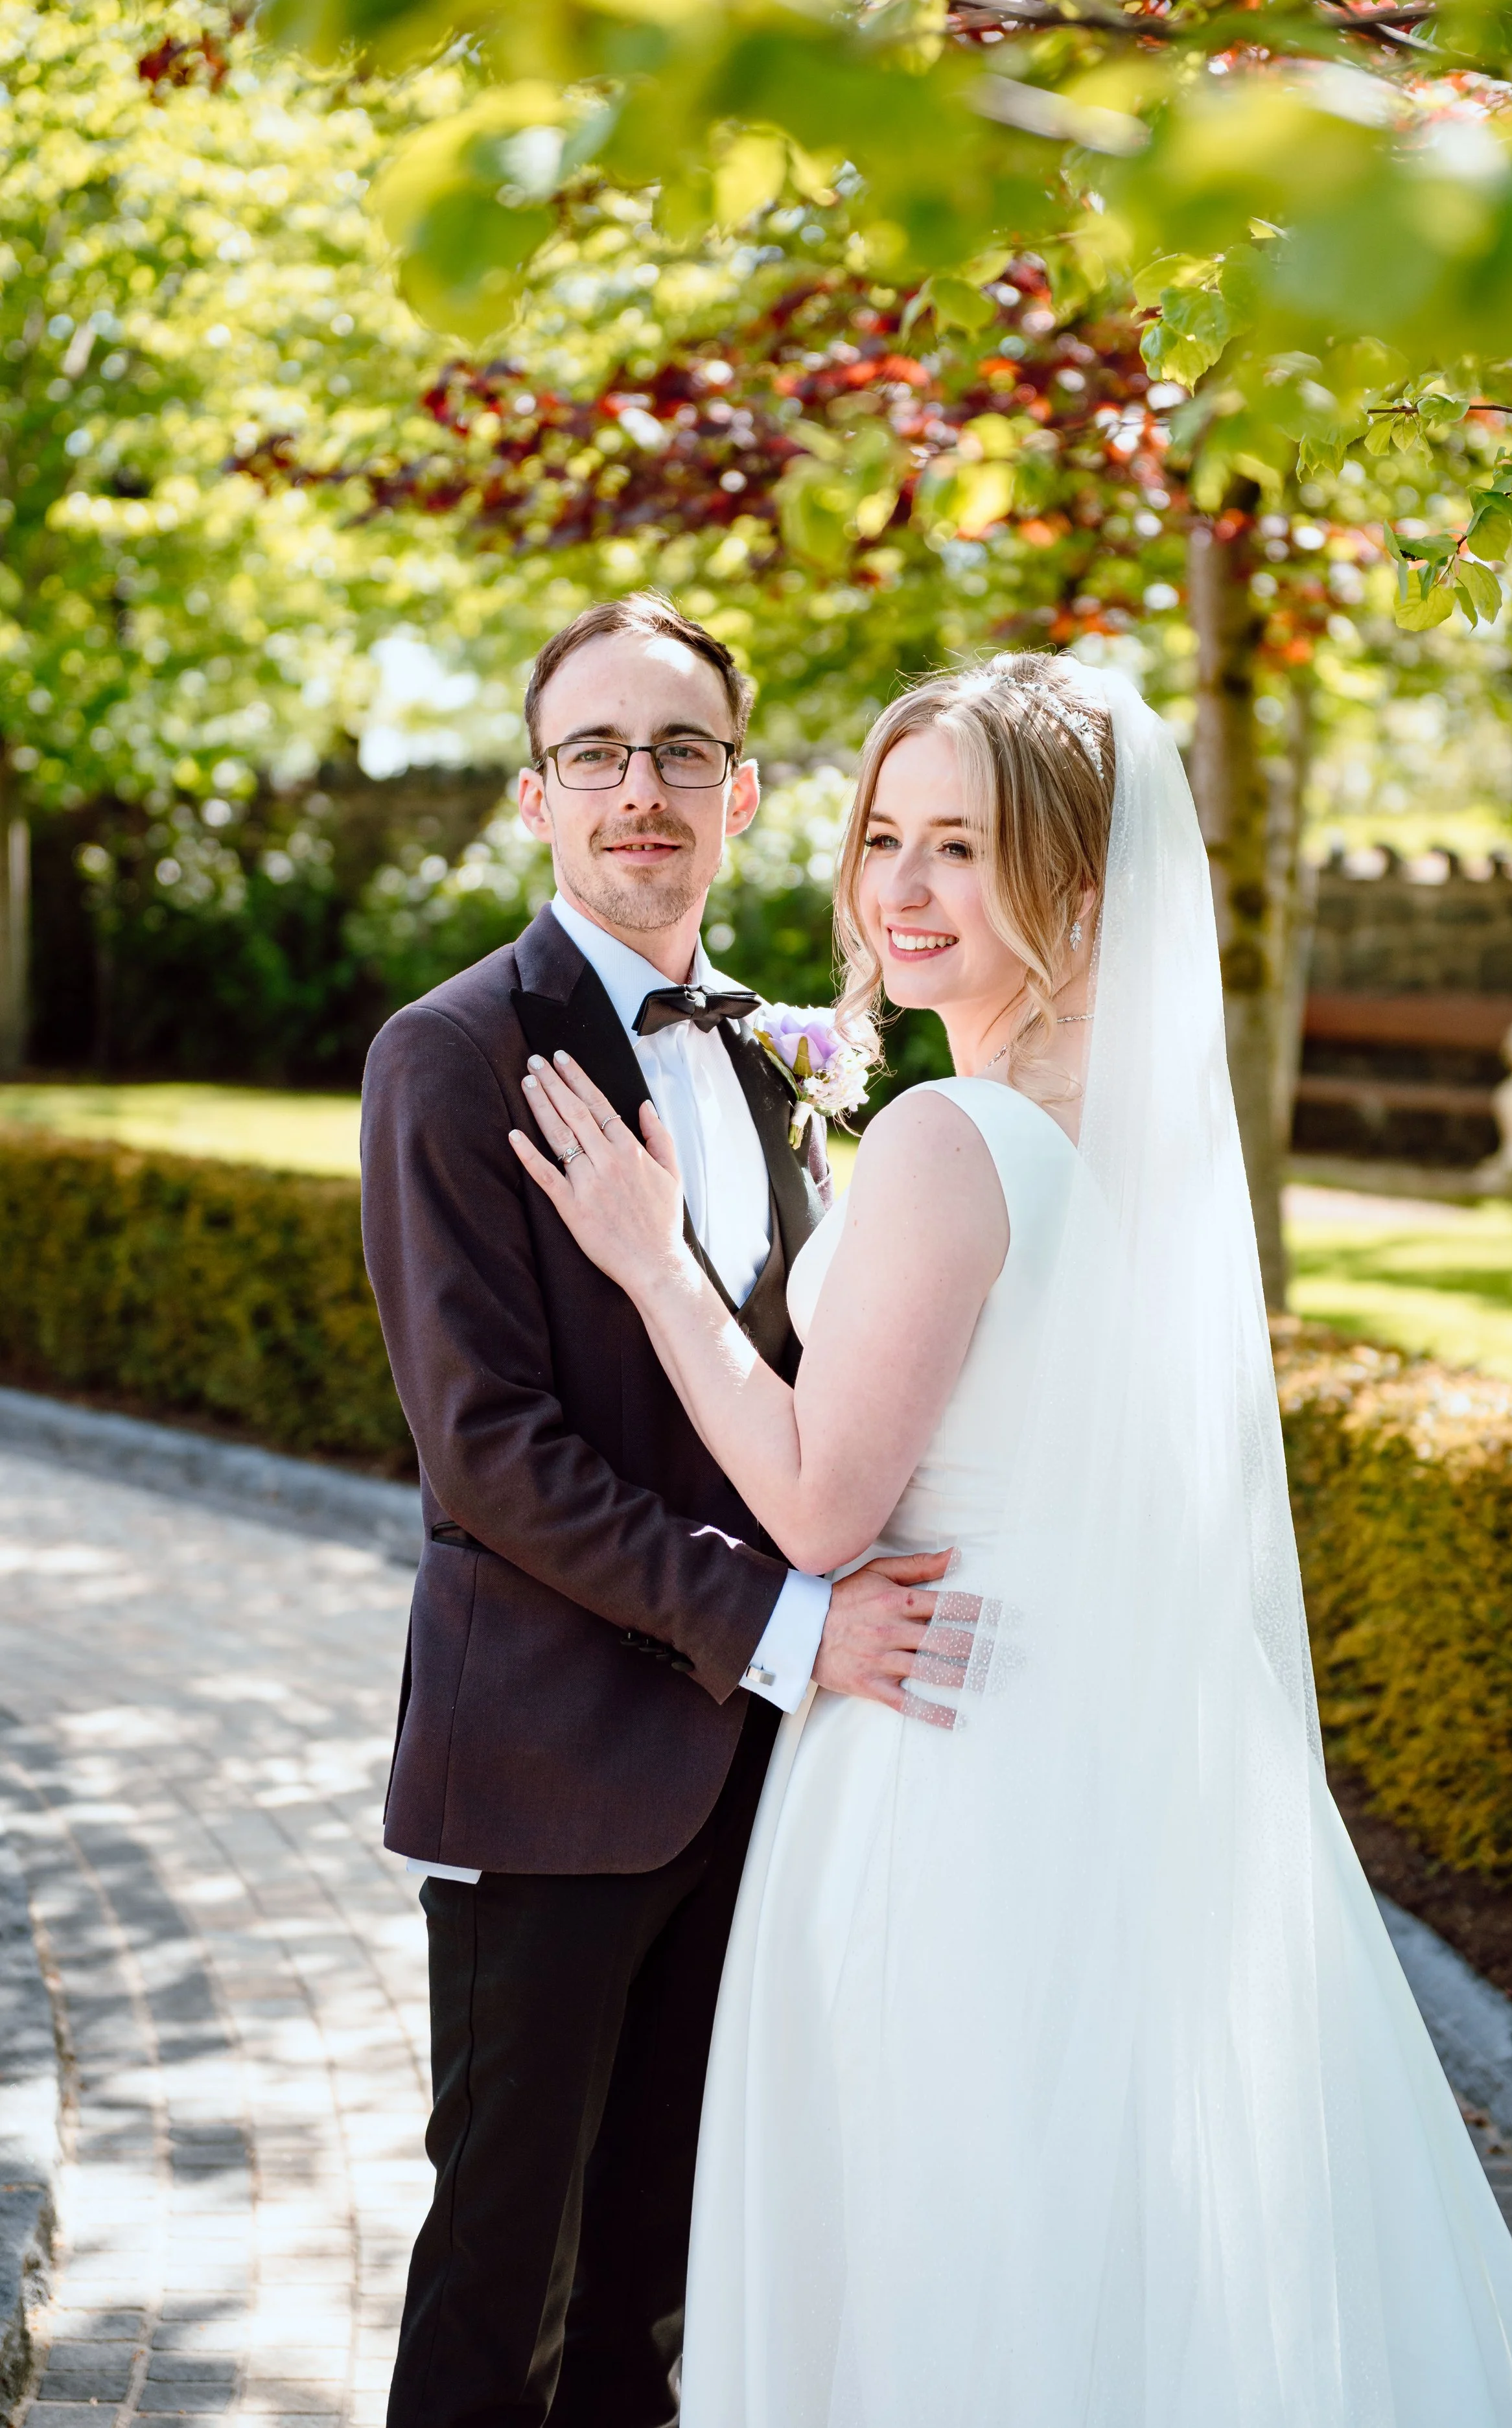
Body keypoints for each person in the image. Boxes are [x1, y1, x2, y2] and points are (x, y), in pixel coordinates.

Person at [508, 653, 1512, 2426]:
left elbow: (812, 1502)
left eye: (964, 848)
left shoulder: (950, 1137)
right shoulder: (1140, 1136)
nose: (904, 890)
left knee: (954, 2247)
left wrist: (653, 1260)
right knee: (1121, 2238)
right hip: (1117, 1754)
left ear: (1077, 886)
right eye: (886, 838)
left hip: (951, 1757)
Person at [360, 592, 949, 2428]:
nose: (643, 789)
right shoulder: (450, 1056)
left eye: (682, 752)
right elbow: (490, 1455)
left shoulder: (777, 1058)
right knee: (497, 2300)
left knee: (665, 2290)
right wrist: (792, 1630)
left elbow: (789, 1393)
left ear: (746, 796)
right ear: (533, 798)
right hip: (549, 1766)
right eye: (598, 754)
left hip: (763, 1781)